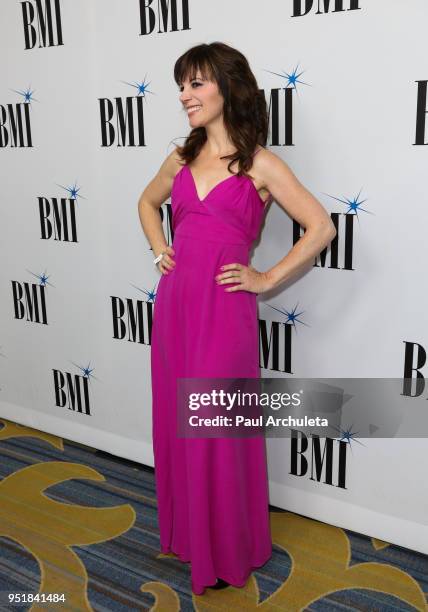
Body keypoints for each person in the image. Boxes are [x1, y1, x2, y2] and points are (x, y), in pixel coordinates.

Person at [138, 41, 336, 596]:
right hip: (176, 306)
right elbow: (145, 204)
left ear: (228, 88)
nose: (185, 95)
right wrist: (160, 250)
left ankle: (226, 548)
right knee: (181, 424)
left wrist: (267, 279)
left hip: (224, 311)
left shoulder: (261, 164)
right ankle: (190, 538)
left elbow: (321, 228)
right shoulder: (179, 157)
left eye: (196, 83)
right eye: (182, 85)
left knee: (217, 428)